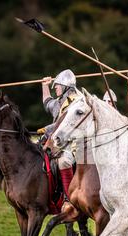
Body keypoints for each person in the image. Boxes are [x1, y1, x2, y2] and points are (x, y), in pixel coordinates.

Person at [37, 69, 81, 200]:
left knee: (64, 161)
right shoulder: (59, 102)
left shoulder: (76, 101)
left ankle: (69, 198)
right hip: (57, 140)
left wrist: (46, 129)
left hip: (73, 142)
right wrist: (44, 85)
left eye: (57, 85)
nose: (55, 87)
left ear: (65, 86)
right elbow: (47, 103)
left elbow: (65, 123)